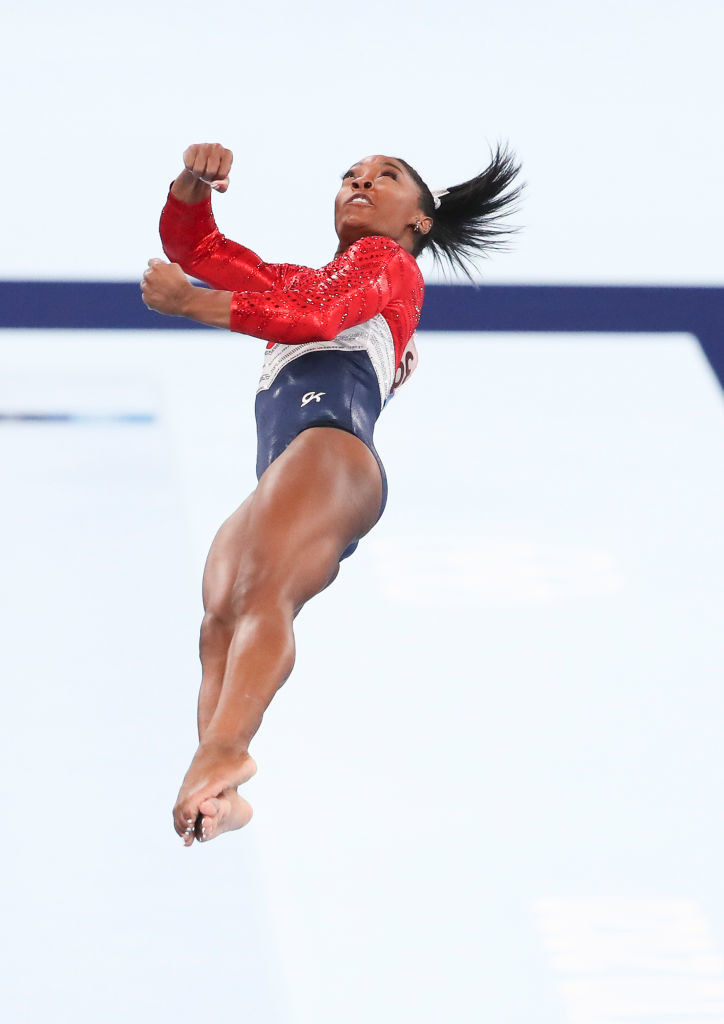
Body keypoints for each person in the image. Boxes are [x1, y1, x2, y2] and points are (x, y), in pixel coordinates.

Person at [141, 142, 523, 845]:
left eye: (387, 177)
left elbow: (319, 319)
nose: (362, 180)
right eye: (352, 173)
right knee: (220, 616)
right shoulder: (301, 281)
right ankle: (216, 792)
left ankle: (224, 749)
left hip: (330, 447)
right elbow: (198, 245)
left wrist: (193, 305)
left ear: (421, 222)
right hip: (297, 464)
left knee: (258, 594)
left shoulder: (388, 265)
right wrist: (192, 184)